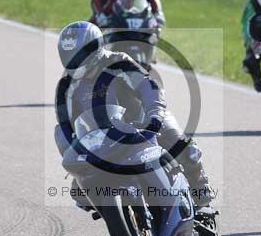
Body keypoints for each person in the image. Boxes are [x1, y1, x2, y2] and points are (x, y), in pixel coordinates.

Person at [54, 21, 215, 212]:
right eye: (70, 55)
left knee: (177, 140)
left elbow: (148, 87)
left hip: (145, 121)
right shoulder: (66, 87)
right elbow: (67, 125)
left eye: (80, 54)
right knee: (80, 190)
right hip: (104, 140)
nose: (76, 60)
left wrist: (155, 113)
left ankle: (199, 184)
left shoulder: (118, 62)